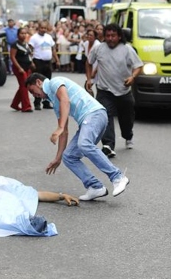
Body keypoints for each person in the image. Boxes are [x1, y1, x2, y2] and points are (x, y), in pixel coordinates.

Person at [25, 72, 130, 201]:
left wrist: (60, 127)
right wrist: (58, 158)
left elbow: (65, 100)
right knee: (69, 156)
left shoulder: (54, 82)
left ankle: (117, 177)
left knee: (84, 144)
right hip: (89, 121)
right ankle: (95, 187)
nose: (33, 95)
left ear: (38, 82)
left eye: (32, 90)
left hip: (95, 114)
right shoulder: (54, 100)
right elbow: (64, 132)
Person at [86, 23, 143, 158]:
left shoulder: (127, 49)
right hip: (104, 90)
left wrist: (132, 77)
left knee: (126, 119)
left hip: (123, 91)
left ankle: (128, 135)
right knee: (105, 116)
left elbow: (138, 66)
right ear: (104, 36)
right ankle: (108, 145)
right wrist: (89, 79)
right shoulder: (99, 48)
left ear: (119, 36)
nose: (110, 38)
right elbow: (88, 62)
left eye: (113, 36)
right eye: (108, 36)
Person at [29, 21, 59, 110]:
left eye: (45, 28)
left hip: (47, 62)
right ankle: (37, 103)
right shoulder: (34, 38)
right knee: (37, 83)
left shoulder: (49, 37)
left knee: (47, 83)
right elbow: (30, 51)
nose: (43, 29)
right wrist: (31, 62)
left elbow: (53, 49)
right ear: (38, 28)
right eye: (42, 28)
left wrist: (57, 60)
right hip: (38, 62)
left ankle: (46, 102)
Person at [10, 27, 35, 112]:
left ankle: (15, 104)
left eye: (25, 33)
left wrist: (31, 63)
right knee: (24, 87)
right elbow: (12, 57)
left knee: (23, 86)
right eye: (22, 33)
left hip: (27, 68)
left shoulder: (26, 44)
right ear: (18, 35)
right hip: (19, 69)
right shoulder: (15, 44)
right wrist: (19, 68)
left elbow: (28, 55)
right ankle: (26, 106)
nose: (24, 35)